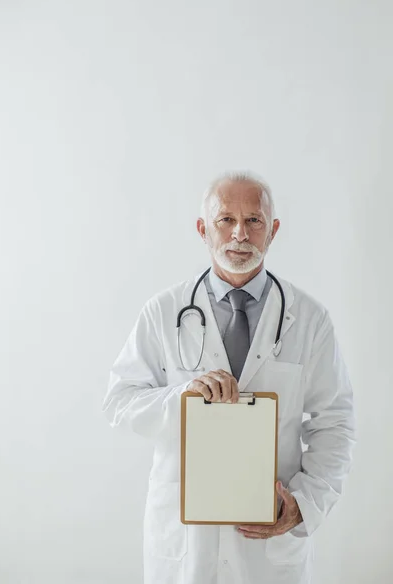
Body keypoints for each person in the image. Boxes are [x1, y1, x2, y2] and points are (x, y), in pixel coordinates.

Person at [102, 171, 356, 584]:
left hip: (269, 539)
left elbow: (336, 424)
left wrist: (305, 505)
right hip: (186, 542)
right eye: (226, 220)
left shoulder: (309, 319)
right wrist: (182, 398)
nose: (240, 233)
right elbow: (119, 401)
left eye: (254, 220)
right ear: (203, 229)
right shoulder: (163, 312)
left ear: (272, 231)